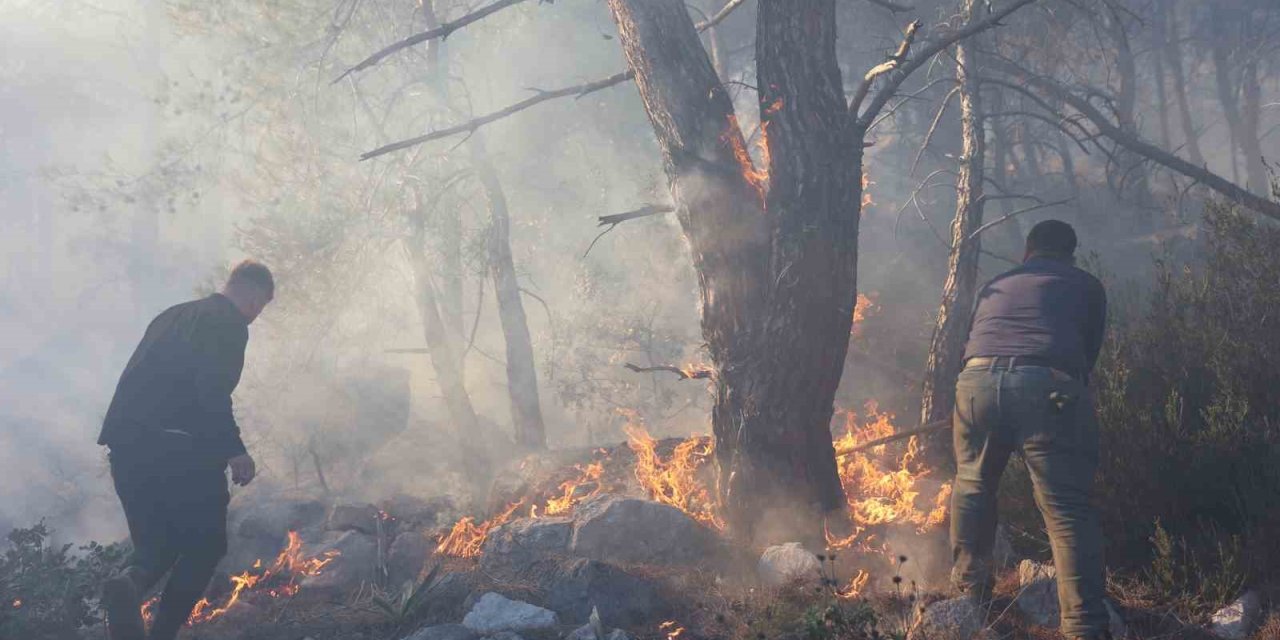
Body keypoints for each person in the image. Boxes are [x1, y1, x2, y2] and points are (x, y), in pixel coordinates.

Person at [950, 220, 1111, 639]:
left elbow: (974, 338)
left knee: (972, 485)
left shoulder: (997, 283)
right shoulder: (1086, 285)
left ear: (1027, 251)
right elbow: (1085, 360)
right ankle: (1084, 629)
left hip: (976, 382)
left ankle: (970, 597)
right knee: (1066, 510)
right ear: (1070, 255)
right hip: (1048, 386)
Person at [98, 261, 273, 640]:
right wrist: (234, 449)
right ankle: (162, 635)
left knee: (154, 548)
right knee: (206, 546)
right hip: (178, 450)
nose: (256, 317)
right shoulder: (227, 324)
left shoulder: (171, 316)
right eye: (260, 309)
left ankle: (129, 584)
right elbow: (211, 390)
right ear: (255, 298)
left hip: (126, 449)